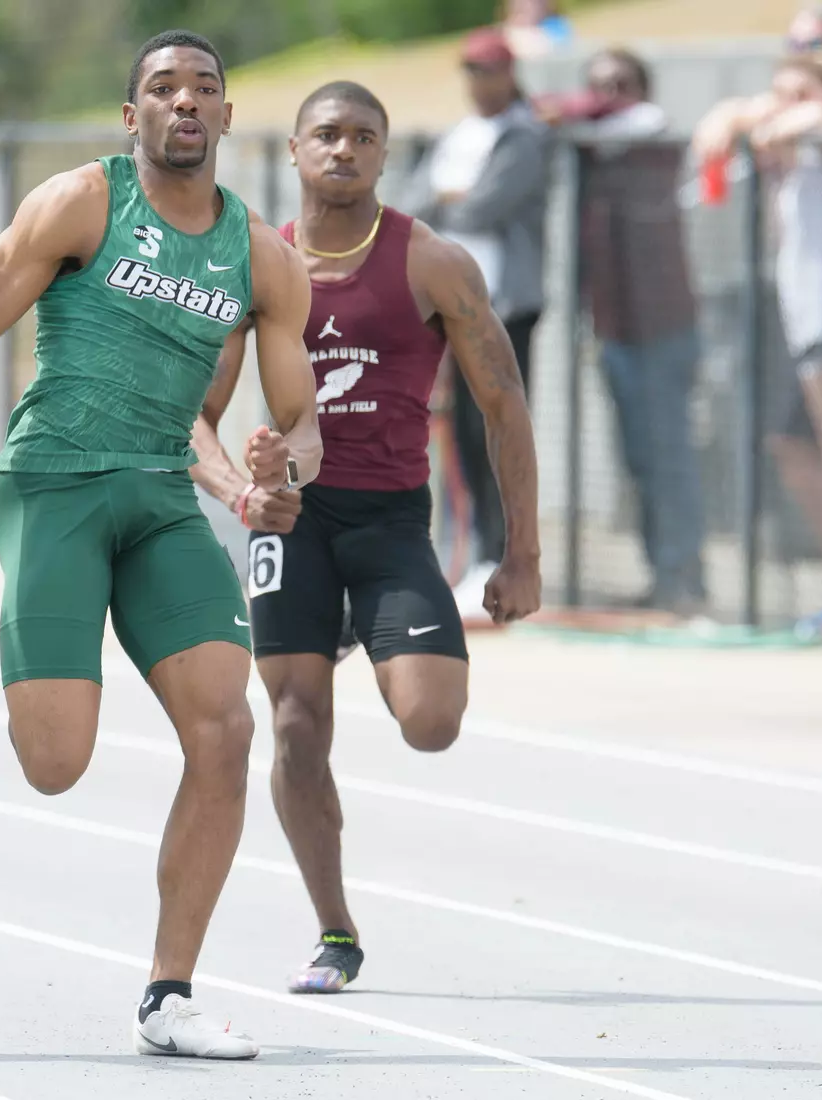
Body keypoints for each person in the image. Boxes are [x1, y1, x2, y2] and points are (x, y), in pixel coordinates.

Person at [0, 29, 320, 1060]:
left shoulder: (263, 258)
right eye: (163, 88)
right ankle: (36, 665)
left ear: (227, 116)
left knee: (226, 729)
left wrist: (280, 479)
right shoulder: (83, 203)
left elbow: (301, 422)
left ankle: (168, 997)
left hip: (161, 497)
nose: (186, 102)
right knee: (55, 763)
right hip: (55, 484)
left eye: (204, 88)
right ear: (132, 114)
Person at [190, 80, 541, 994]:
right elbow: (194, 414)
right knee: (295, 723)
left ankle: (359, 624)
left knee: (431, 723)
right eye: (327, 135)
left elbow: (504, 402)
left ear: (385, 154)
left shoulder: (433, 263)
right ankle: (335, 931)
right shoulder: (255, 265)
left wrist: (523, 554)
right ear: (295, 150)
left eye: (363, 137)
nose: (343, 150)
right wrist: (241, 494)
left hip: (389, 521)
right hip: (295, 522)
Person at [706, 58, 822, 641]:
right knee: (796, 447)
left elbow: (810, 121)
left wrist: (784, 110)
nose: (785, 102)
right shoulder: (800, 152)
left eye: (800, 90)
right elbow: (725, 131)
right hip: (817, 330)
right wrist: (739, 116)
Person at [541, 49, 707, 615]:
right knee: (639, 457)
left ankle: (684, 577)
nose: (608, 95)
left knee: (669, 454)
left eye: (619, 84)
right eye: (599, 85)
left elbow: (630, 119)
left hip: (664, 326)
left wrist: (586, 108)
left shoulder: (652, 133)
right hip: (616, 329)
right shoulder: (595, 149)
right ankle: (663, 572)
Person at [397, 29, 549, 619]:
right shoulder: (457, 134)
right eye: (472, 71)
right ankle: (474, 555)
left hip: (503, 307)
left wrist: (448, 197)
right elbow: (413, 202)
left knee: (500, 427)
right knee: (460, 434)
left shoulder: (525, 134)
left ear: (509, 74)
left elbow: (484, 206)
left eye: (489, 70)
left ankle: (502, 557)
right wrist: (448, 196)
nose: (480, 82)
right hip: (449, 307)